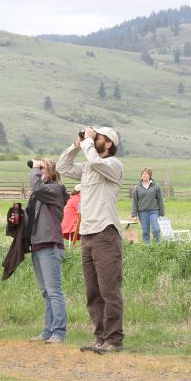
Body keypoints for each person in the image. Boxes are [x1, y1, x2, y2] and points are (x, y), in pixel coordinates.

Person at [57, 126, 124, 354]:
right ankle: (100, 338)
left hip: (105, 232)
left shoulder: (113, 165)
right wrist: (76, 146)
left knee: (109, 290)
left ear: (109, 144)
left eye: (99, 137)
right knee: (93, 292)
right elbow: (62, 167)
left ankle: (114, 339)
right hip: (86, 234)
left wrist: (87, 142)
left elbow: (96, 163)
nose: (94, 139)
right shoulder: (88, 166)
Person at [28, 159, 69, 343]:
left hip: (50, 244)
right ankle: (48, 330)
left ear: (51, 171)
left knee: (54, 291)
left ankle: (59, 332)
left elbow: (37, 188)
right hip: (37, 244)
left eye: (42, 168)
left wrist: (35, 169)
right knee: (46, 292)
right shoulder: (42, 193)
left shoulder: (56, 189)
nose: (37, 170)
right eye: (38, 168)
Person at [131, 168, 165, 244]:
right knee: (145, 232)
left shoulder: (156, 186)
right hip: (142, 212)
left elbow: (160, 200)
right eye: (142, 174)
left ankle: (157, 246)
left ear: (149, 175)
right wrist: (134, 214)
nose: (144, 175)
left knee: (156, 229)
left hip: (154, 211)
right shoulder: (137, 187)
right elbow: (134, 201)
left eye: (145, 174)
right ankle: (147, 247)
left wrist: (161, 213)